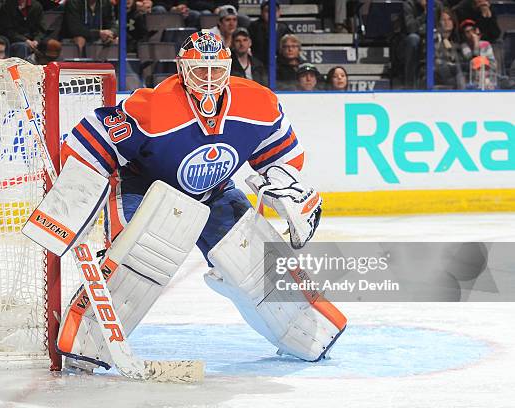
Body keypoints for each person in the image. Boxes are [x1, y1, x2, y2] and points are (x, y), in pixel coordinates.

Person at [55, 30, 342, 371]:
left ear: (229, 67)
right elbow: (92, 140)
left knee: (253, 262)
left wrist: (285, 185)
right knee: (136, 263)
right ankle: (85, 344)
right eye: (199, 70)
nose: (208, 79)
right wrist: (77, 189)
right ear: (181, 68)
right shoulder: (153, 106)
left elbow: (283, 154)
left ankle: (309, 333)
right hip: (146, 189)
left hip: (215, 191)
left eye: (216, 70)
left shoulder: (259, 103)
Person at [247, 0, 292, 66]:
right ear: (262, 13)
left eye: (275, 11)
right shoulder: (253, 27)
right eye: (267, 11)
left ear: (279, 13)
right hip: (258, 64)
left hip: (279, 65)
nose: (271, 14)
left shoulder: (284, 28)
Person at [459, 18, 497, 89]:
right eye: (467, 32)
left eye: (472, 30)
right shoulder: (464, 46)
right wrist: (476, 44)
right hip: (472, 80)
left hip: (488, 78)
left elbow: (493, 65)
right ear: (464, 35)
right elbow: (473, 64)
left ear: (476, 30)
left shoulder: (486, 44)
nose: (471, 34)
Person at [435, 8, 465, 88]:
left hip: (455, 82)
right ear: (438, 23)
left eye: (449, 19)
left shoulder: (456, 43)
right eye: (443, 19)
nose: (446, 22)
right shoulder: (434, 40)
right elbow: (438, 65)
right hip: (440, 81)